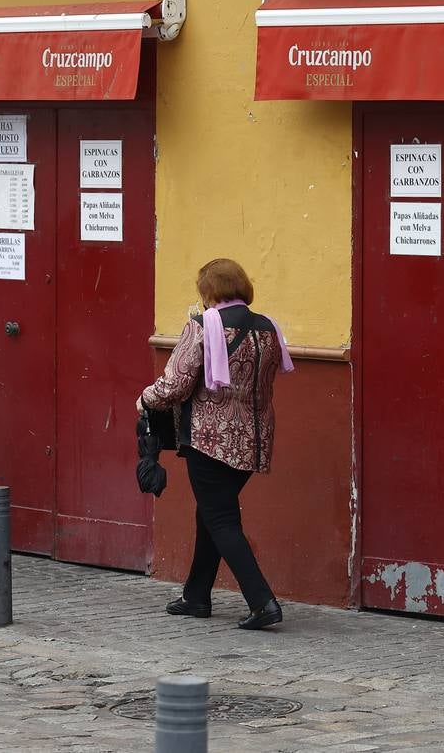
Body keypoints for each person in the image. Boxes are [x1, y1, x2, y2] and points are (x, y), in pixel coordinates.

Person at [139, 258, 294, 629]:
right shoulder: (267, 329)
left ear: (209, 291)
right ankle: (196, 596)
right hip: (253, 441)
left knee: (221, 518)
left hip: (209, 439)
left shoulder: (203, 326)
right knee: (211, 513)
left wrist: (145, 398)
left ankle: (263, 602)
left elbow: (175, 384)